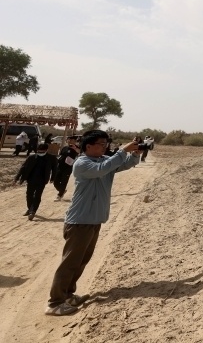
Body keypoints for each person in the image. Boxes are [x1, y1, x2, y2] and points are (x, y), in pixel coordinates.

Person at [45, 130, 140, 317]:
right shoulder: (83, 163)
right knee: (70, 263)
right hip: (80, 221)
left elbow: (124, 164)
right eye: (101, 144)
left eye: (106, 144)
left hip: (94, 219)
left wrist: (135, 152)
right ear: (88, 146)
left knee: (81, 261)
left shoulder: (102, 160)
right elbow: (103, 169)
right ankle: (54, 302)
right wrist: (122, 151)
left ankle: (68, 295)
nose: (105, 147)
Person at [15, 142, 58, 220]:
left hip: (42, 180)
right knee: (29, 194)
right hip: (31, 179)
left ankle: (33, 211)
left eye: (42, 151)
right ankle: (30, 208)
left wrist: (52, 178)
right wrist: (17, 178)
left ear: (46, 150)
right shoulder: (31, 157)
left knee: (37, 195)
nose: (40, 153)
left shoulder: (51, 158)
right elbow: (23, 167)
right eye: (39, 151)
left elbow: (55, 169)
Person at [53, 136, 81, 200]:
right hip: (60, 166)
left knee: (64, 181)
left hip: (68, 168)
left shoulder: (76, 148)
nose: (69, 141)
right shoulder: (65, 148)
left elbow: (80, 152)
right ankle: (62, 190)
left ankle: (60, 195)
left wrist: (75, 149)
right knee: (56, 181)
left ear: (74, 141)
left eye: (71, 140)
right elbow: (60, 155)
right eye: (69, 139)